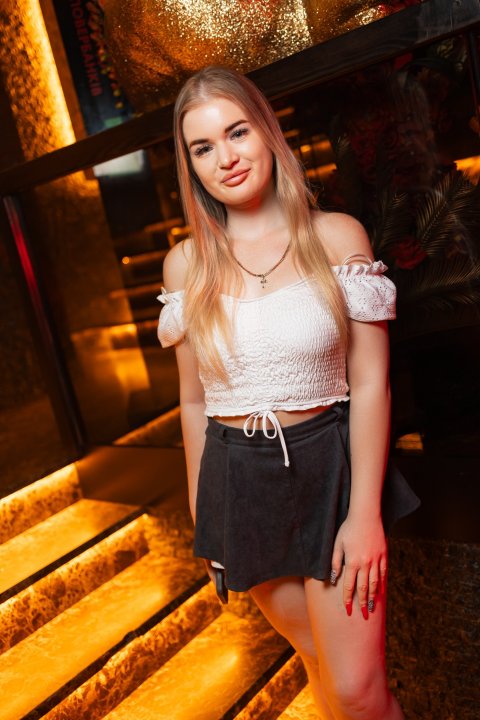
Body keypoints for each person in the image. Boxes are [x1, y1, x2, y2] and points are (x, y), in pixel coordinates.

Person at [156, 65, 420, 720]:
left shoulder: (336, 237)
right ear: (191, 166)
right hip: (238, 483)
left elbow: (371, 382)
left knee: (357, 690)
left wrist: (364, 515)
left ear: (267, 132)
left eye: (237, 132)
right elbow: (194, 401)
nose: (226, 157)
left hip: (330, 471)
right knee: (317, 662)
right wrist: (206, 517)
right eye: (203, 147)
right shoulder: (186, 265)